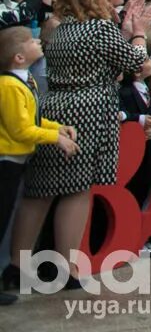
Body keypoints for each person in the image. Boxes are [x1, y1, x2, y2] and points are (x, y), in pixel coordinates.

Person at [11, 0, 149, 287]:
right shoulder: (99, 28)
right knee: (77, 188)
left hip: (54, 104)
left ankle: (16, 265)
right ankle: (66, 268)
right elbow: (134, 62)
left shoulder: (57, 30)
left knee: (41, 190)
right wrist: (139, 35)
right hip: (88, 108)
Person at [0, 27, 77, 307]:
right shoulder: (8, 86)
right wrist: (54, 138)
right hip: (6, 162)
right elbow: (21, 130)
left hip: (16, 162)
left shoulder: (24, 80)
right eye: (33, 41)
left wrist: (57, 127)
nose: (38, 41)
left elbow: (32, 120)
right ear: (19, 57)